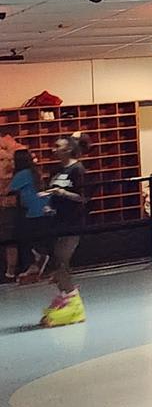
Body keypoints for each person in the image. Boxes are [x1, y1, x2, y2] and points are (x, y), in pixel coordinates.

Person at [39, 134, 90, 324]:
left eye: (57, 146)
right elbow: (52, 193)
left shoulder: (78, 170)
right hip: (56, 221)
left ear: (68, 149)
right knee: (57, 263)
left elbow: (83, 197)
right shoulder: (56, 169)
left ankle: (74, 302)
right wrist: (48, 203)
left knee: (61, 260)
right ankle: (66, 297)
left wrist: (62, 192)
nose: (53, 149)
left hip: (72, 222)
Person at [7, 147, 54, 284]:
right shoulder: (34, 172)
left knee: (23, 236)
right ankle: (36, 264)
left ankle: (38, 259)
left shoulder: (22, 174)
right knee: (32, 237)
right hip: (42, 207)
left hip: (33, 210)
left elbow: (9, 189)